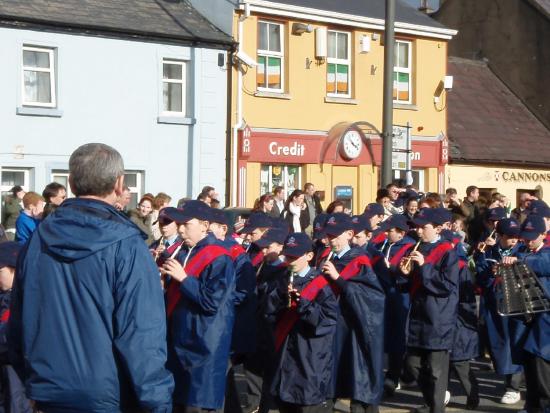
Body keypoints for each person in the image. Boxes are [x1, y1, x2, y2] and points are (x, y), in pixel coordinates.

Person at [8, 143, 174, 412]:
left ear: (71, 182)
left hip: (53, 390)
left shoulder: (37, 240)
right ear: (120, 184)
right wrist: (158, 403)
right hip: (104, 395)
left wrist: (34, 381)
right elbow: (142, 336)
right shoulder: (128, 246)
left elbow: (18, 325)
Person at [161, 200, 235, 413]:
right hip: (180, 341)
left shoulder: (219, 256)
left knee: (197, 405)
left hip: (204, 344)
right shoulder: (183, 252)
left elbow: (211, 302)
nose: (181, 229)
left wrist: (184, 279)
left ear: (204, 225)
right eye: (179, 224)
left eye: (186, 224)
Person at [321, 213, 385, 413]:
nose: (332, 240)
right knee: (330, 385)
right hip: (332, 328)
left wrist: (338, 278)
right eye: (329, 236)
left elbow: (372, 298)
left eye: (336, 236)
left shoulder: (360, 261)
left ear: (349, 234)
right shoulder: (326, 258)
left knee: (358, 385)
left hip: (354, 331)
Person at [269, 232, 337, 413]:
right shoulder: (282, 278)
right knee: (286, 404)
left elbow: (328, 321)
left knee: (307, 406)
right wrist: (280, 298)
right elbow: (268, 313)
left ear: (309, 256)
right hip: (285, 356)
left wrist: (304, 305)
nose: (290, 261)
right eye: (288, 256)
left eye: (295, 257)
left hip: (309, 358)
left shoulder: (320, 284)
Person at [399, 208, 460, 413]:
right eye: (416, 227)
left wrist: (424, 266)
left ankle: (436, 407)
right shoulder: (415, 248)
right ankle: (434, 400)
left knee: (436, 371)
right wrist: (404, 274)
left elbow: (446, 286)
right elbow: (408, 284)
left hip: (438, 318)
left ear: (437, 228)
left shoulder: (447, 251)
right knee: (412, 364)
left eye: (423, 227)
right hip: (417, 316)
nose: (418, 231)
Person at [502, 215, 550, 412]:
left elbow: (541, 263)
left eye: (532, 237)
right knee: (528, 362)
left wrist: (517, 259)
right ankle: (532, 406)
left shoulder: (545, 253)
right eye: (526, 237)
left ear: (544, 235)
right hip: (525, 314)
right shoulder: (521, 250)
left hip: (545, 319)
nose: (528, 241)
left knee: (541, 364)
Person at [474, 218, 524, 405]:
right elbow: (479, 277)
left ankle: (513, 387)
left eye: (516, 237)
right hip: (494, 305)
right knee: (498, 345)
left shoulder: (522, 251)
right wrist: (491, 273)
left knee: (515, 342)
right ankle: (509, 377)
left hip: (516, 304)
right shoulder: (489, 252)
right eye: (510, 237)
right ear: (500, 236)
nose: (514, 240)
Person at [378, 214, 417, 397]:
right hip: (385, 295)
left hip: (401, 295)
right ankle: (396, 374)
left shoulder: (409, 247)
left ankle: (397, 375)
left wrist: (392, 268)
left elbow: (408, 275)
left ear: (401, 233)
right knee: (389, 336)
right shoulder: (384, 245)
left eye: (390, 230)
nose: (387, 233)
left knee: (400, 337)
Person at [0, 242, 33, 413]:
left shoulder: (22, 299)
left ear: (14, 269)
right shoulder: (5, 297)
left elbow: (11, 335)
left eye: (0, 271)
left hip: (17, 378)